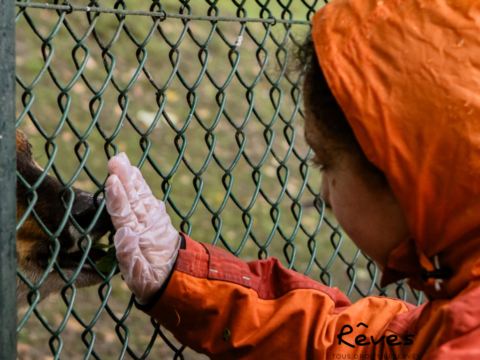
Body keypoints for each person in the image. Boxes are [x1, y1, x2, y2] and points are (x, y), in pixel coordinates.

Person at [103, 0, 480, 358]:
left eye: (324, 163)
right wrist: (181, 275)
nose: (325, 195)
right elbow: (370, 347)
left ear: (399, 171)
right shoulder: (457, 318)